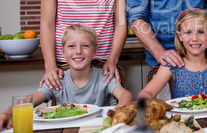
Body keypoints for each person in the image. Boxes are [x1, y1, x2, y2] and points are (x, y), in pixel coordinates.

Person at [0, 23, 134, 131]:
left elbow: (126, 95)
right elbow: (26, 102)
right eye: (71, 46)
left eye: (85, 46)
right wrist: (7, 113)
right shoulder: (57, 80)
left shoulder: (104, 77)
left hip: (95, 129)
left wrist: (120, 107)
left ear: (95, 51)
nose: (78, 51)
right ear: (63, 52)